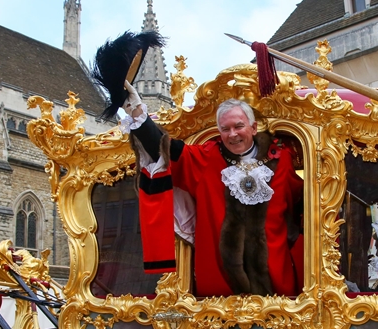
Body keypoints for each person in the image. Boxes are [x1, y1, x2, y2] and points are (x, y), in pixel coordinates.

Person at [122, 83, 304, 297]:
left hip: (277, 281)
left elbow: (299, 208)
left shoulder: (281, 160)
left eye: (238, 126)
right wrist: (136, 110)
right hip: (220, 288)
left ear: (253, 128)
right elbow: (165, 149)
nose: (233, 134)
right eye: (225, 129)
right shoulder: (206, 158)